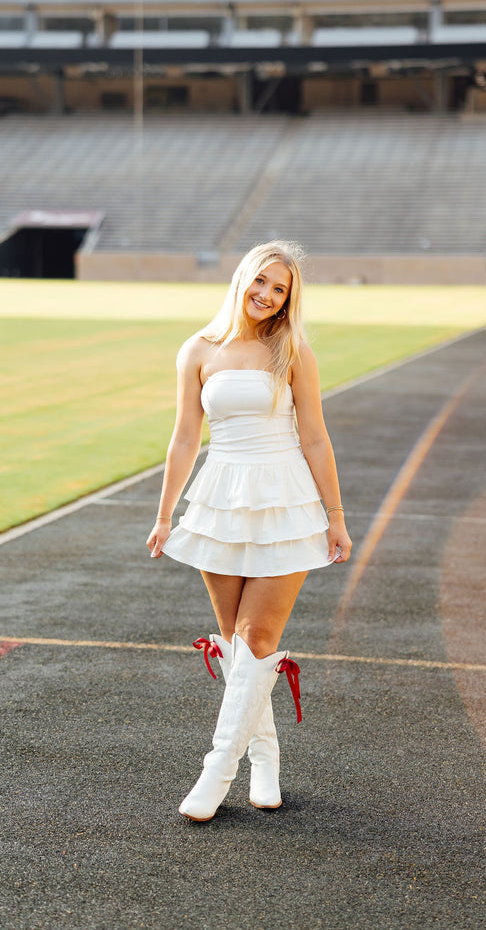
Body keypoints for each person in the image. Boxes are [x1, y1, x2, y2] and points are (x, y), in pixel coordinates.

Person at [146, 241, 352, 821]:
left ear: (289, 299)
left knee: (257, 638)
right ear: (242, 278)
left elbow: (314, 435)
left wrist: (335, 517)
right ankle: (266, 759)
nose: (266, 295)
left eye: (279, 289)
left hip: (284, 499)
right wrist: (165, 515)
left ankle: (217, 772)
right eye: (261, 281)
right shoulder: (198, 350)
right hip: (220, 499)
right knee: (238, 649)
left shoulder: (294, 352)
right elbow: (186, 437)